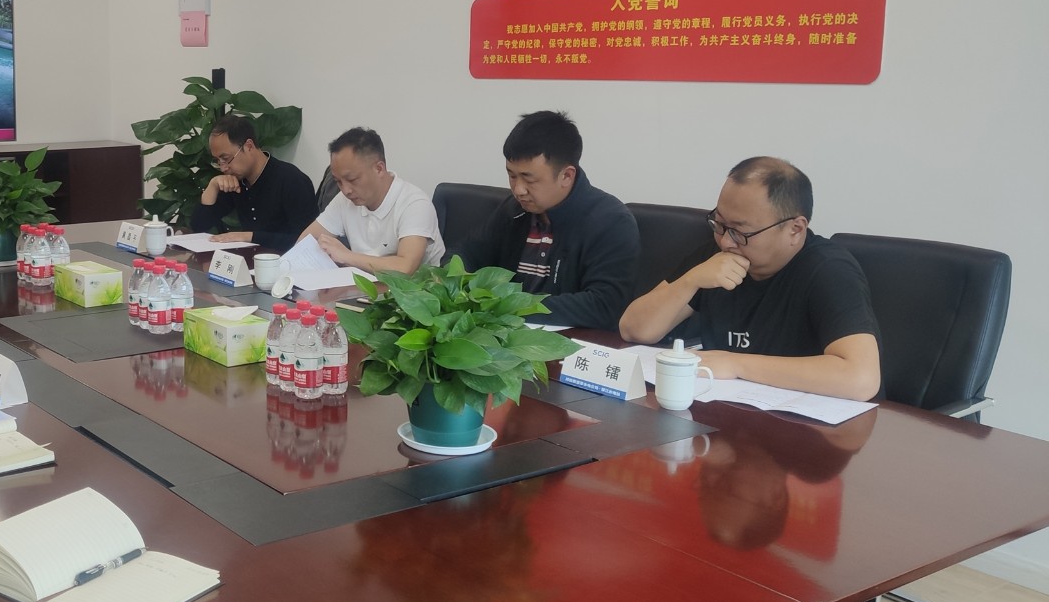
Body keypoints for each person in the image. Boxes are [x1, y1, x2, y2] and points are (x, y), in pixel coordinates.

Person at [618, 157, 882, 401]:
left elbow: (861, 379)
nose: (725, 241)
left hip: (813, 424)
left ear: (795, 229)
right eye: (719, 224)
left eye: (740, 232)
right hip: (730, 413)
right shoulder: (718, 255)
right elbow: (633, 329)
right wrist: (690, 281)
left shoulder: (828, 270)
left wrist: (736, 364)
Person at [460, 111, 638, 328]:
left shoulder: (610, 222)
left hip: (568, 340)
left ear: (566, 176)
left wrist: (509, 306)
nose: (518, 189)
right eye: (512, 175)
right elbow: (466, 253)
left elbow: (605, 305)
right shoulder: (514, 210)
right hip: (506, 332)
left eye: (529, 179)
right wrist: (454, 280)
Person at [299, 127, 445, 273]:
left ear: (379, 169)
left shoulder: (415, 204)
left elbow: (405, 268)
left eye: (352, 179)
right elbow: (304, 243)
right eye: (338, 181)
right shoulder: (344, 200)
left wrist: (346, 256)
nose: (345, 190)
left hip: (415, 286)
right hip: (364, 283)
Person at [189, 114, 318, 252]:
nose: (223, 168)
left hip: (286, 261)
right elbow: (199, 226)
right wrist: (213, 186)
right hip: (249, 259)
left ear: (249, 146)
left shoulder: (291, 180)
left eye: (226, 159)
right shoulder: (236, 180)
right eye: (217, 161)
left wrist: (250, 237)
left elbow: (307, 240)